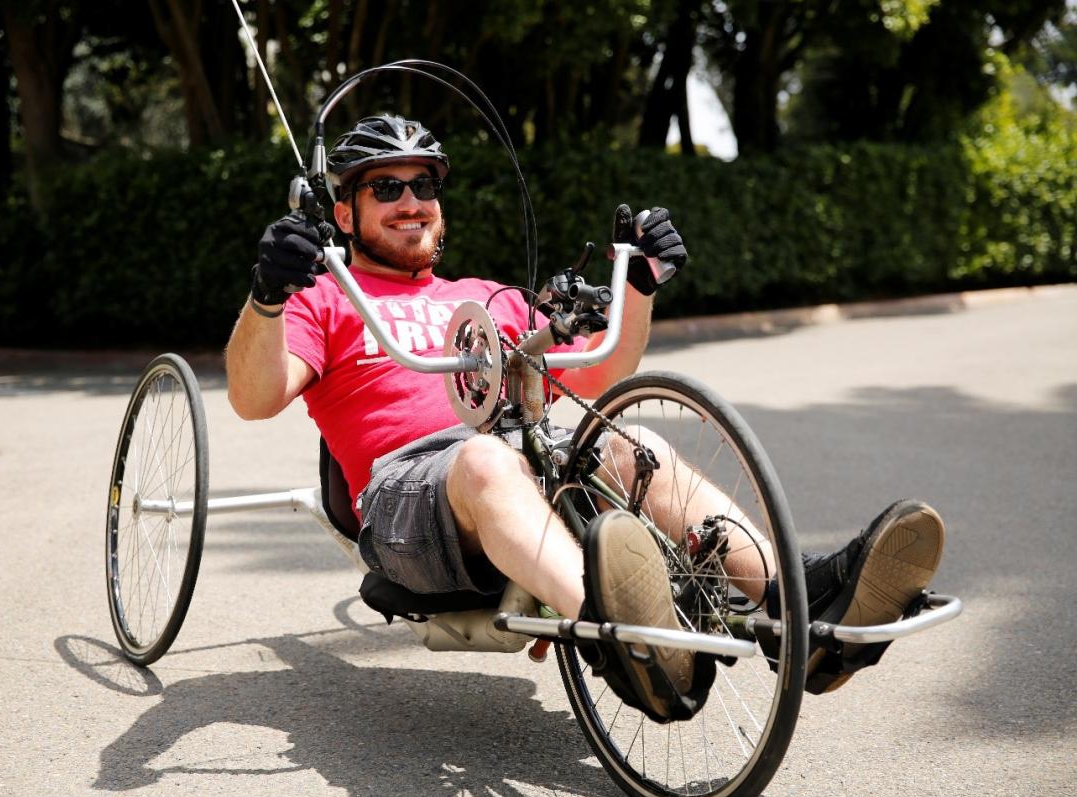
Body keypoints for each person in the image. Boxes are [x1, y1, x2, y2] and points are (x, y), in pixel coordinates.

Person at [225, 114, 946, 720]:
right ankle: (634, 645)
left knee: (632, 442)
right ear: (344, 213)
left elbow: (602, 372)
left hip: (524, 468)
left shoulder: (490, 297)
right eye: (387, 187)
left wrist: (638, 286)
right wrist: (266, 296)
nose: (411, 201)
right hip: (410, 500)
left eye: (424, 186)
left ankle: (804, 606)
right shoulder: (324, 299)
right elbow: (254, 398)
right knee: (483, 461)